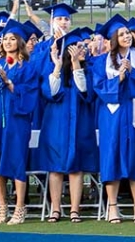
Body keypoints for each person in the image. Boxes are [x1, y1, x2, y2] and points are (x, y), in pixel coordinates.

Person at [92, 15, 135, 224]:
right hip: (112, 116)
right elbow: (99, 87)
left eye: (127, 33)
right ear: (113, 38)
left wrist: (132, 72)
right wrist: (119, 78)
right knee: (111, 159)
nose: (126, 36)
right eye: (121, 34)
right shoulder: (101, 61)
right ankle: (113, 208)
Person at [0, 19, 40, 225]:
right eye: (5, 39)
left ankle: (20, 207)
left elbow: (30, 96)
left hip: (16, 121)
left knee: (16, 160)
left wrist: (9, 82)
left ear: (20, 42)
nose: (8, 42)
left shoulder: (28, 68)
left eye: (12, 39)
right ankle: (2, 205)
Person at [37, 28, 97, 223]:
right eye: (78, 47)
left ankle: (74, 209)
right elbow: (50, 92)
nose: (82, 50)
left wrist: (76, 65)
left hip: (80, 123)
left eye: (83, 46)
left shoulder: (88, 70)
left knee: (76, 167)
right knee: (55, 167)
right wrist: (57, 65)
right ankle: (55, 208)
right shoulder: (55, 71)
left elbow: (85, 91)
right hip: (56, 124)